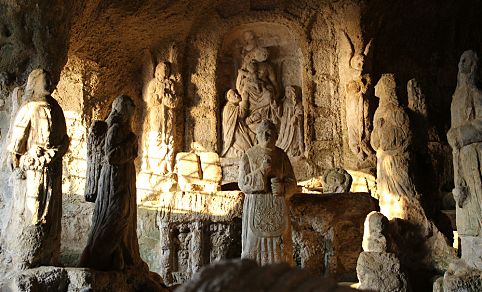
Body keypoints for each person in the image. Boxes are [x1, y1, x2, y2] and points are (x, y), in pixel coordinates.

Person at [2, 68, 69, 270]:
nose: (49, 83)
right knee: (35, 210)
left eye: (50, 79)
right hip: (35, 169)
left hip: (54, 167)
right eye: (44, 80)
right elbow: (16, 144)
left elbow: (65, 138)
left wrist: (57, 152)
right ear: (34, 82)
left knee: (53, 210)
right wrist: (23, 160)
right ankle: (29, 253)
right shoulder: (29, 108)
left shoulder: (56, 108)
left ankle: (49, 253)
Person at [79, 95, 147, 271]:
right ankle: (98, 257)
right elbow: (111, 156)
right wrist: (130, 144)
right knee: (117, 214)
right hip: (114, 180)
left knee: (126, 215)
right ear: (122, 109)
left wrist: (131, 146)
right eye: (130, 110)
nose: (132, 115)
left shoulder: (123, 129)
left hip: (125, 177)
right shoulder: (115, 128)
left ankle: (120, 255)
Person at [238, 120, 297, 265]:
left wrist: (283, 188)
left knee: (280, 247)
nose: (265, 136)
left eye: (269, 133)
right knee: (253, 245)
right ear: (256, 136)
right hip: (256, 206)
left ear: (276, 136)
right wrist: (262, 171)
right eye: (261, 133)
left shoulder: (282, 156)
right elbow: (243, 184)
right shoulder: (249, 155)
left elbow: (292, 182)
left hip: (277, 205)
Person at [447, 50, 482, 268]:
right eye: (460, 60)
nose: (462, 64)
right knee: (463, 204)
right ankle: (468, 256)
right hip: (459, 156)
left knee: (477, 204)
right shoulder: (456, 97)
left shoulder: (475, 93)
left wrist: (459, 134)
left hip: (474, 155)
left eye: (467, 61)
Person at [221, 89, 253, 158]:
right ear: (229, 97)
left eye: (237, 93)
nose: (237, 95)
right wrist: (244, 100)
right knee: (247, 147)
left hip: (240, 129)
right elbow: (241, 113)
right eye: (234, 94)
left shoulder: (233, 107)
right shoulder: (228, 108)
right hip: (234, 133)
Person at [275, 86, 304, 157]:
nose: (287, 94)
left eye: (288, 92)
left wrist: (295, 117)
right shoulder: (285, 102)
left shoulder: (297, 103)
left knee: (292, 138)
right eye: (286, 92)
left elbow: (300, 111)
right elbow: (280, 115)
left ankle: (292, 149)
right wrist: (275, 108)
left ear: (293, 93)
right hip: (284, 124)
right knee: (282, 137)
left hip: (292, 125)